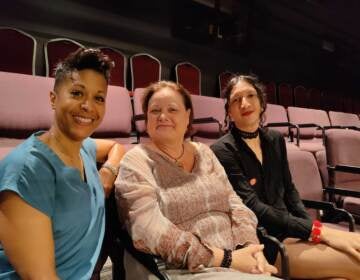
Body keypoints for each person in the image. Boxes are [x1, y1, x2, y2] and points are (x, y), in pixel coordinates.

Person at [115, 81, 280, 280]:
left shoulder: (204, 152)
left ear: (187, 117)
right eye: (155, 110)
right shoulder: (136, 160)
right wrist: (226, 259)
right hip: (185, 270)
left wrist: (251, 248)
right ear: (146, 119)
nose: (163, 116)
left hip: (237, 260)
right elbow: (148, 229)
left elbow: (235, 204)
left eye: (172, 109)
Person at [211, 74, 360, 279]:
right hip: (263, 241)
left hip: (292, 230)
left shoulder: (275, 139)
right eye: (236, 99)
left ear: (262, 102)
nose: (244, 103)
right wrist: (317, 231)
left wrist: (311, 230)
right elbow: (254, 207)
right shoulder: (222, 150)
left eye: (250, 96)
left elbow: (289, 190)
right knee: (356, 265)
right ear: (229, 110)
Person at [0, 48, 125, 280]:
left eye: (99, 98)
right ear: (53, 99)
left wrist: (108, 170)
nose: (88, 106)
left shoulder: (84, 148)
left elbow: (115, 147)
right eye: (77, 93)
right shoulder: (27, 171)